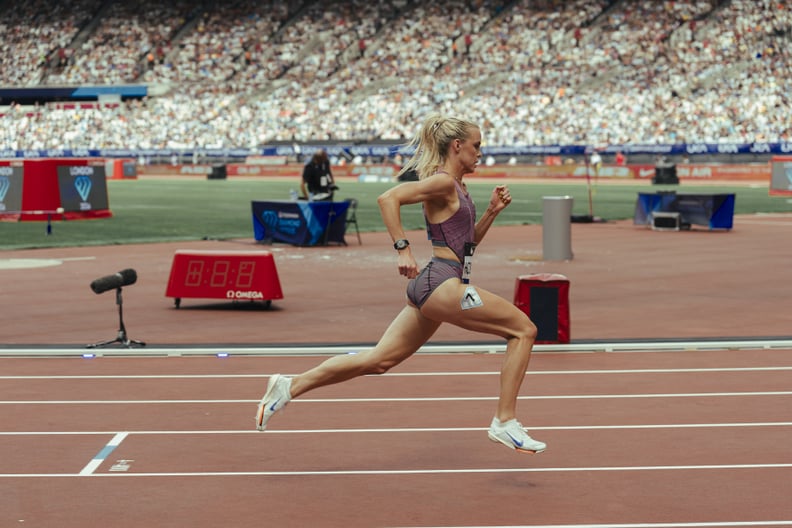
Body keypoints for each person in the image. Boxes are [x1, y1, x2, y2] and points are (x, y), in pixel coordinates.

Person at [256, 114, 546, 454]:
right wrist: (402, 249)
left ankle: (289, 385)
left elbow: (466, 245)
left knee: (378, 361)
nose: (481, 152)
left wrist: (492, 212)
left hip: (436, 284)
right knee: (523, 330)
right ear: (457, 146)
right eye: (477, 145)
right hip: (441, 284)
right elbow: (387, 198)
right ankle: (505, 421)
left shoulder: (459, 188)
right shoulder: (442, 183)